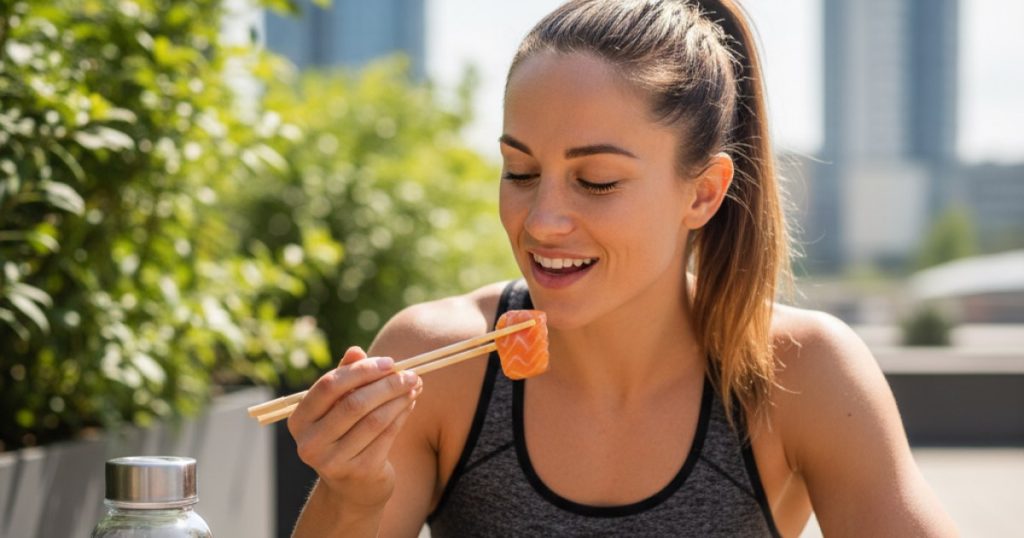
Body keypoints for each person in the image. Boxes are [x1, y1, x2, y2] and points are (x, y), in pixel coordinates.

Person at [286, 0, 957, 536]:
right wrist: (350, 494)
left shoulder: (803, 372)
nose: (541, 220)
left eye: (597, 181)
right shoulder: (438, 360)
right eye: (520, 171)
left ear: (702, 192)